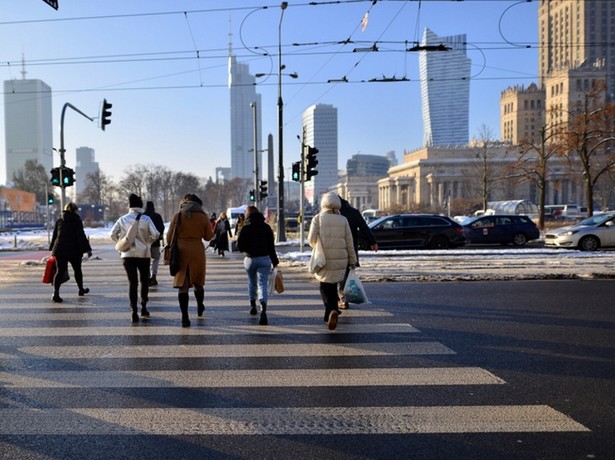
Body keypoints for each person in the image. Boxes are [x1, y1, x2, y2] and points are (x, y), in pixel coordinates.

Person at [307, 192, 357, 330]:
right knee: (334, 285)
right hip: (341, 259)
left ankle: (331, 310)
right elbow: (349, 242)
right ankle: (331, 312)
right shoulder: (343, 220)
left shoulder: (318, 218)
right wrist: (353, 260)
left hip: (324, 259)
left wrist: (318, 244)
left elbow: (311, 240)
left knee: (324, 286)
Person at [110, 194, 160, 323]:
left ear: (130, 205)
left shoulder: (122, 219)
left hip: (127, 255)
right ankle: (143, 306)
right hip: (143, 255)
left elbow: (112, 234)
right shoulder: (146, 219)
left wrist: (122, 242)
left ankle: (133, 311)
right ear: (140, 205)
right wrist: (147, 242)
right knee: (144, 281)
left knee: (132, 283)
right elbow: (156, 234)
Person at [166, 194, 214, 327]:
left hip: (181, 252)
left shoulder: (178, 216)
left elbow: (169, 238)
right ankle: (200, 306)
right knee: (198, 282)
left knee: (183, 285)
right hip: (198, 252)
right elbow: (208, 237)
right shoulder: (203, 216)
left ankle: (185, 317)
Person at [236, 205, 279, 326]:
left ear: (248, 215)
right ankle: (263, 310)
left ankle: (253, 306)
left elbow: (239, 246)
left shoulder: (245, 227)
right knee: (262, 284)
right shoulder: (266, 227)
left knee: (252, 282)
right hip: (264, 258)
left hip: (250, 259)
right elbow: (271, 247)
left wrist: (247, 249)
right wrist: (275, 261)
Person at [337, 196, 378, 309]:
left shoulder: (332, 213)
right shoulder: (354, 212)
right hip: (351, 247)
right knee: (346, 273)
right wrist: (372, 241)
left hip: (335, 248)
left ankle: (340, 297)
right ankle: (343, 297)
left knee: (335, 273)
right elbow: (364, 228)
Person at [49, 202, 93, 303]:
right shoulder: (76, 219)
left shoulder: (59, 219)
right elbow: (81, 235)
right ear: (75, 210)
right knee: (77, 270)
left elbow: (55, 235)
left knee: (59, 271)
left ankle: (55, 293)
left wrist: (52, 248)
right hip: (74, 250)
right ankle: (81, 289)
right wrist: (88, 249)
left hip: (60, 249)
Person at [144, 201, 165, 286]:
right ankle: (154, 275)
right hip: (155, 242)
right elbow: (162, 227)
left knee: (146, 260)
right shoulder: (157, 216)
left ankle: (147, 276)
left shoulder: (143, 216)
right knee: (156, 259)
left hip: (145, 242)